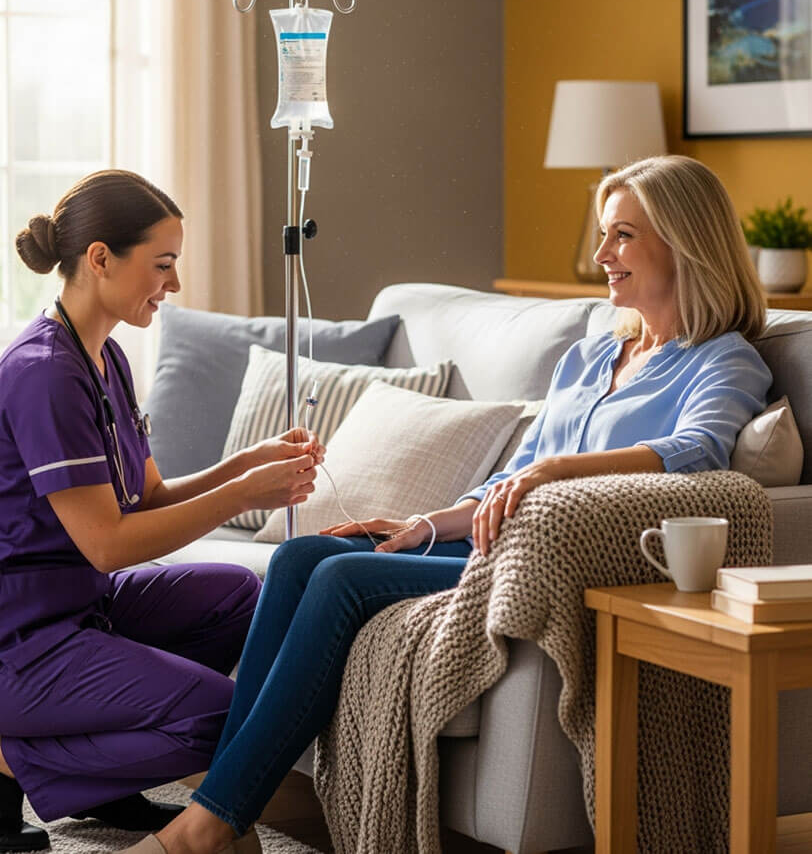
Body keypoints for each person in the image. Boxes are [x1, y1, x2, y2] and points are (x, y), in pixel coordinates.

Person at [118, 154, 773, 854]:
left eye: (622, 236)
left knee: (341, 579)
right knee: (301, 556)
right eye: (605, 234)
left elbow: (698, 451)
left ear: (683, 242)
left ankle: (209, 825)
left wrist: (556, 470)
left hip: (546, 564)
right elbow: (511, 477)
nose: (601, 255)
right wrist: (425, 525)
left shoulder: (725, 359)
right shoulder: (588, 358)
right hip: (489, 540)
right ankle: (231, 811)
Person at [0, 170, 324, 854]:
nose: (174, 283)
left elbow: (150, 498)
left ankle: (101, 774)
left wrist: (245, 464)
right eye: (162, 264)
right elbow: (108, 544)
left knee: (239, 595)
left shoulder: (105, 356)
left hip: (75, 608)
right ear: (101, 258)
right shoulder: (44, 373)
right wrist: (242, 496)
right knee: (216, 722)